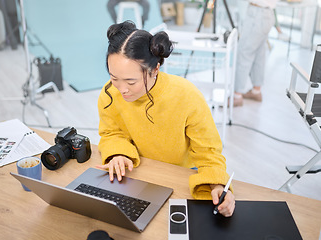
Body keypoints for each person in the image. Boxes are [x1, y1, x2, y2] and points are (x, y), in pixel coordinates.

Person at [96, 21, 235, 217]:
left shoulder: (186, 95)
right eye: (114, 78)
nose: (122, 89)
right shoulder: (109, 93)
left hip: (181, 176)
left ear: (155, 70)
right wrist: (118, 154)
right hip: (138, 174)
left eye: (131, 81)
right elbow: (112, 132)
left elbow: (208, 151)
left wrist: (217, 184)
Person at [233, 0, 279, 107]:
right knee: (259, 54)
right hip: (266, 14)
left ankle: (237, 96)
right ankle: (256, 91)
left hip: (258, 14)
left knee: (244, 52)